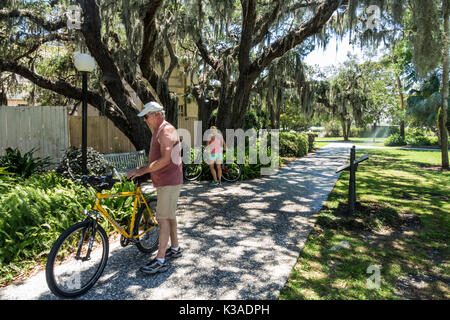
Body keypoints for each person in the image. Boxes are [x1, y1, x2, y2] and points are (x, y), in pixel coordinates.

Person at [126, 101, 183, 274]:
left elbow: (166, 159)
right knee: (169, 216)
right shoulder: (162, 129)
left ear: (156, 114)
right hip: (166, 180)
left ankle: (160, 260)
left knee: (163, 219)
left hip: (168, 181)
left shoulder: (165, 131)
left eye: (146, 116)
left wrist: (142, 170)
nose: (145, 120)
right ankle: (175, 248)